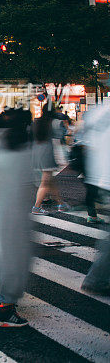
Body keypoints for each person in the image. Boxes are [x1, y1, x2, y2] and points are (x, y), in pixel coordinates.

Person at [0, 108, 35, 327]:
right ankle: (4, 309)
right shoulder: (25, 146)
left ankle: (5, 301)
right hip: (15, 211)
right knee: (14, 259)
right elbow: (30, 183)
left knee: (2, 254)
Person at [81, 100, 110, 295]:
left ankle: (96, 278)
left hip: (101, 177)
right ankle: (96, 279)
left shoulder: (99, 111)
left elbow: (87, 144)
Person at [31, 103, 69, 214]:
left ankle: (60, 203)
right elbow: (61, 136)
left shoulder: (36, 122)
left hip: (36, 153)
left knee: (51, 180)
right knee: (45, 182)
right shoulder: (54, 123)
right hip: (47, 153)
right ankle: (36, 207)